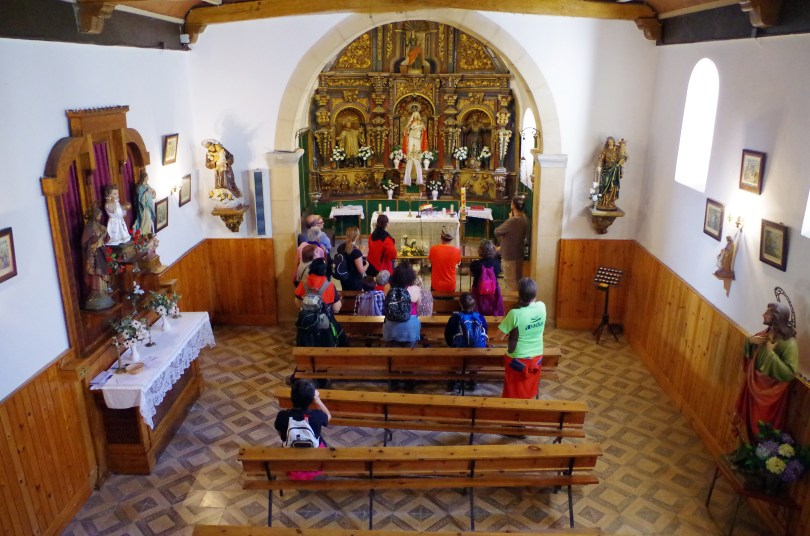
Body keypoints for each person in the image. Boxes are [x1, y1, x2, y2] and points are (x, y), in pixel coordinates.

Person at [734, 301, 798, 442]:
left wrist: (771, 354)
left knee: (761, 429)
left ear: (776, 317)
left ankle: (759, 452)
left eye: (767, 313)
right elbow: (751, 349)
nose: (763, 315)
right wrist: (751, 341)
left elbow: (789, 373)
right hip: (753, 386)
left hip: (770, 395)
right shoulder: (766, 333)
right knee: (748, 423)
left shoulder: (789, 344)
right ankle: (744, 449)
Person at [497, 278, 546, 399]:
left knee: (514, 390)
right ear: (535, 293)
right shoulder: (542, 306)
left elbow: (498, 337)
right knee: (529, 388)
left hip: (517, 359)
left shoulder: (514, 313)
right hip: (537, 357)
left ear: (519, 294)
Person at [273, 379, 331, 479]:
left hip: (290, 455)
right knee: (321, 440)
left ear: (292, 397)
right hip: (314, 455)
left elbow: (280, 433)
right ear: (311, 399)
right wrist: (317, 399)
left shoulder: (282, 416)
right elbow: (328, 416)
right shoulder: (317, 416)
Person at [294, 258, 346, 347]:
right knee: (342, 339)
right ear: (324, 270)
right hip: (325, 326)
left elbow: (297, 303)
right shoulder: (330, 286)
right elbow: (337, 308)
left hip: (306, 324)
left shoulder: (303, 284)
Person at [445, 292, 488, 392]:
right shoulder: (480, 317)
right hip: (477, 353)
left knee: (449, 352)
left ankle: (452, 381)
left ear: (460, 304)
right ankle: (473, 379)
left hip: (459, 353)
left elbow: (448, 337)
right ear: (474, 304)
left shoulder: (455, 318)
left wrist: (452, 345)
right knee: (475, 351)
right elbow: (485, 334)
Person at [81, 207, 114, 311]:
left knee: (102, 269)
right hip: (94, 254)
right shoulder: (89, 227)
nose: (100, 217)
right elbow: (84, 242)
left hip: (101, 252)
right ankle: (96, 292)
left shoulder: (98, 225)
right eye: (99, 215)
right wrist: (95, 242)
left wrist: (104, 234)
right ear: (94, 215)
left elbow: (106, 237)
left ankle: (103, 291)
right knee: (96, 272)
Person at [493, 196, 528, 293]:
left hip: (509, 256)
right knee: (516, 281)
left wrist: (510, 218)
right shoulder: (524, 218)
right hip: (519, 255)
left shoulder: (513, 220)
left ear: (513, 206)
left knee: (510, 284)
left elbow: (497, 231)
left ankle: (511, 301)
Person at [383, 262, 421, 347]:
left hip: (391, 326)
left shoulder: (387, 287)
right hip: (410, 327)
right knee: (409, 353)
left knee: (393, 353)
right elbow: (418, 306)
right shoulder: (415, 289)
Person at [470, 239, 504, 316]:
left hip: (478, 294)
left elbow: (472, 274)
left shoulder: (475, 264)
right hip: (493, 294)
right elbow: (498, 273)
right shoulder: (497, 264)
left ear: (480, 250)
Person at [595, 137, 627, 210]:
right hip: (606, 170)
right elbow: (600, 159)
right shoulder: (605, 151)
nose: (610, 143)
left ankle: (610, 202)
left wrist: (622, 146)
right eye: (609, 142)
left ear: (614, 142)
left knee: (613, 186)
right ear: (607, 143)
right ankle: (603, 202)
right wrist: (599, 166)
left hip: (615, 170)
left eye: (611, 141)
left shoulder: (617, 150)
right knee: (604, 184)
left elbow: (623, 156)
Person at [428, 228, 461, 293]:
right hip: (450, 285)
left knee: (435, 299)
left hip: (436, 284)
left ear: (441, 237)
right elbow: (457, 262)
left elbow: (430, 261)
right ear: (451, 239)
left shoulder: (433, 249)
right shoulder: (457, 251)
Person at [335, 226, 367, 291]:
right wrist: (367, 265)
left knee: (345, 294)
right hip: (354, 281)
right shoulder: (356, 252)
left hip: (344, 278)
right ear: (357, 236)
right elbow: (361, 270)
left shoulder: (340, 247)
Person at [402, 111, 428, 185]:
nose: (415, 117)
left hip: (417, 138)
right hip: (411, 137)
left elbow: (424, 130)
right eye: (414, 116)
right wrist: (410, 127)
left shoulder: (420, 122)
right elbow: (406, 130)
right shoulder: (410, 122)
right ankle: (410, 158)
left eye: (417, 115)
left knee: (417, 148)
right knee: (410, 147)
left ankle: (417, 158)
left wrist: (419, 128)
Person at [134, 170, 156, 236]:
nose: (148, 178)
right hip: (144, 207)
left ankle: (148, 233)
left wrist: (153, 192)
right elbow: (140, 199)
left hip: (149, 205)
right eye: (147, 177)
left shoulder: (147, 185)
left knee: (149, 220)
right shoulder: (139, 187)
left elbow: (151, 192)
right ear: (144, 178)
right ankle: (145, 233)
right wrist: (147, 191)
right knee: (146, 220)